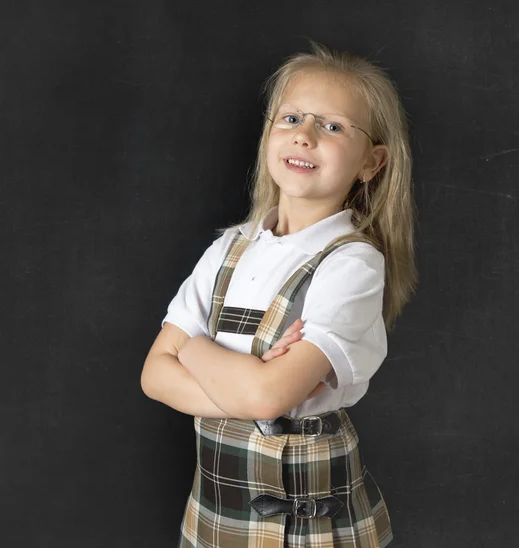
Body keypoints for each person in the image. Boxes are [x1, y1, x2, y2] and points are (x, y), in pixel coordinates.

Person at [141, 41, 417, 548]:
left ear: (371, 163)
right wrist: (251, 387)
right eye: (290, 118)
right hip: (217, 513)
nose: (305, 135)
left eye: (333, 126)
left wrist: (193, 348)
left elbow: (265, 393)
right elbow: (155, 375)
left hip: (309, 524)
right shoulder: (229, 249)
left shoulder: (351, 263)